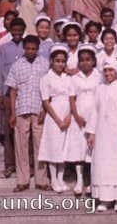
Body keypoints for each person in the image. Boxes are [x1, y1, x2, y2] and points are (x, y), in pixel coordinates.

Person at [6, 35, 51, 193]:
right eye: (28, 48)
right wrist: (12, 113)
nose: (31, 51)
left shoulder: (45, 64)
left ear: (38, 49)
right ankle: (22, 181)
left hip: (39, 109)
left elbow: (49, 89)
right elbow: (13, 90)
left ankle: (41, 180)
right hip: (21, 108)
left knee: (40, 145)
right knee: (21, 146)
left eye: (34, 49)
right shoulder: (17, 65)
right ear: (23, 48)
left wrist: (45, 110)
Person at [86, 57, 117, 212]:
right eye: (105, 70)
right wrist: (91, 132)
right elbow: (94, 111)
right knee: (102, 164)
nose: (108, 73)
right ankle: (104, 199)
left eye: (111, 70)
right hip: (101, 132)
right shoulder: (99, 89)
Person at [38, 43, 74, 193]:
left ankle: (61, 179)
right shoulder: (46, 79)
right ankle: (53, 180)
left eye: (62, 61)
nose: (60, 64)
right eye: (57, 60)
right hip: (53, 115)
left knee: (64, 149)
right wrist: (58, 120)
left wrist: (68, 116)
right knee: (53, 148)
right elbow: (46, 101)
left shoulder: (68, 78)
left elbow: (73, 98)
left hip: (67, 113)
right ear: (52, 61)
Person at [0, 17, 26, 178]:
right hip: (8, 94)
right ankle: (9, 164)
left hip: (24, 94)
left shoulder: (27, 47)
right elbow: (0, 72)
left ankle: (26, 164)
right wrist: (0, 93)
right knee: (9, 129)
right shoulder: (3, 48)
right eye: (14, 30)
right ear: (10, 31)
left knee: (24, 130)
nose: (17, 33)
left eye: (20, 30)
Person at [69, 44, 101, 196]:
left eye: (88, 59)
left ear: (94, 61)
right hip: (79, 117)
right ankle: (80, 179)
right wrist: (76, 116)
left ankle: (92, 180)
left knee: (93, 149)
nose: (85, 62)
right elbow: (72, 99)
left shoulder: (100, 76)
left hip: (95, 116)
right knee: (79, 148)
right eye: (82, 60)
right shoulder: (75, 78)